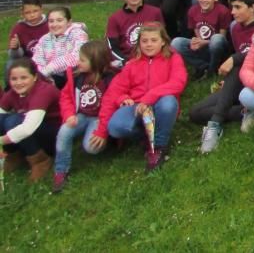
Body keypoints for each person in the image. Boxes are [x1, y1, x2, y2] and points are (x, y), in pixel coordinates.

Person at [90, 23, 187, 171]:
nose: (149, 44)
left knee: (169, 103)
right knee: (115, 127)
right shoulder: (132, 64)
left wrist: (149, 97)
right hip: (136, 106)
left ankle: (159, 147)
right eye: (145, 41)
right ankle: (146, 137)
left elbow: (178, 83)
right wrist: (103, 129)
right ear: (139, 43)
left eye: (154, 40)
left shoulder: (174, 58)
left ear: (163, 42)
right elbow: (112, 94)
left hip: (160, 103)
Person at [191, 0, 254, 153]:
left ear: (253, 7)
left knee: (238, 65)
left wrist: (234, 59)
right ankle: (247, 111)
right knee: (195, 113)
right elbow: (239, 50)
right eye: (232, 6)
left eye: (238, 7)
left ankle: (215, 126)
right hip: (238, 83)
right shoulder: (236, 28)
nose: (232, 11)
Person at [51, 40, 113, 192]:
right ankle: (61, 170)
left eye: (82, 60)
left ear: (96, 61)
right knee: (64, 132)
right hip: (81, 115)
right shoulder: (76, 76)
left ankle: (108, 141)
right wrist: (69, 115)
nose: (78, 62)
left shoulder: (110, 79)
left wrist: (102, 131)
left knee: (91, 148)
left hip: (99, 118)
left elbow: (111, 106)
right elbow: (65, 97)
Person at [0, 58, 60, 182]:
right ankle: (13, 156)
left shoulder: (43, 91)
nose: (18, 82)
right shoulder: (13, 93)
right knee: (3, 119)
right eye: (14, 79)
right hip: (34, 131)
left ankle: (40, 161)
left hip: (54, 136)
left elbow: (28, 128)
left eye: (23, 78)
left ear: (34, 77)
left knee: (14, 121)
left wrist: (1, 141)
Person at [170, 0, 231, 79]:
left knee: (216, 39)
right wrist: (196, 42)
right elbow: (197, 31)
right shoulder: (193, 10)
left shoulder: (223, 11)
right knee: (176, 43)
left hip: (218, 47)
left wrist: (205, 42)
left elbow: (222, 36)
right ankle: (203, 66)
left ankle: (213, 69)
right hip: (203, 46)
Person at [105, 0, 164, 68]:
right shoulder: (114, 18)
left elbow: (162, 39)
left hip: (151, 58)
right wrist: (125, 61)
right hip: (127, 61)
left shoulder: (155, 12)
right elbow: (112, 48)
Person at [31, 7, 88, 88]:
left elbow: (77, 56)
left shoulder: (78, 34)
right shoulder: (44, 39)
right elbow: (37, 60)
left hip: (74, 75)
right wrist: (45, 76)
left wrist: (49, 69)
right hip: (51, 76)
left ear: (69, 22)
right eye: (51, 21)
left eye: (59, 20)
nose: (54, 24)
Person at [7, 0, 48, 64]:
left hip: (48, 59)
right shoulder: (18, 28)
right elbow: (15, 56)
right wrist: (15, 48)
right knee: (11, 63)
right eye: (27, 12)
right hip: (27, 61)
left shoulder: (50, 24)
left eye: (35, 11)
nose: (32, 15)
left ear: (41, 10)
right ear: (22, 13)